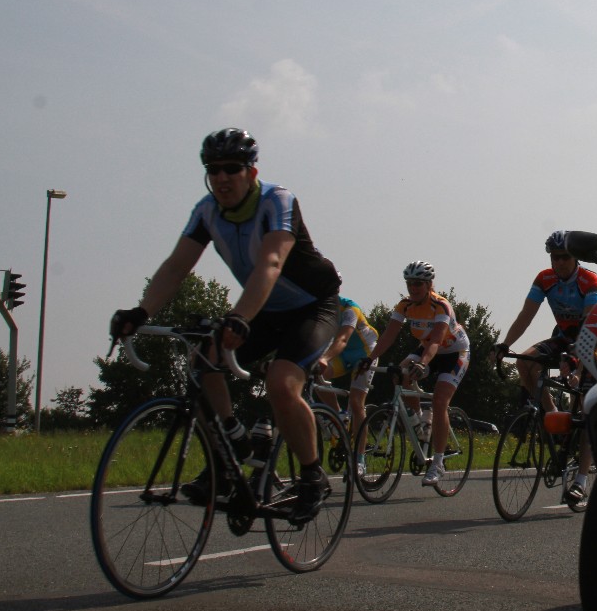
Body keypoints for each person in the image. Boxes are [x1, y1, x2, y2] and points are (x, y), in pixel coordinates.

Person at [109, 128, 342, 523]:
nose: (221, 177)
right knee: (203, 362)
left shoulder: (277, 201)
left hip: (311, 307)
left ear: (251, 172)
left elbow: (271, 262)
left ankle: (311, 475)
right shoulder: (206, 211)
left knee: (281, 384)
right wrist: (140, 313)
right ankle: (231, 447)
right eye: (213, 169)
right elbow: (176, 267)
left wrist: (239, 317)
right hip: (264, 309)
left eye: (232, 168)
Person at [492, 231, 597, 504]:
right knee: (524, 361)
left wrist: (577, 366)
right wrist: (505, 345)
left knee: (585, 409)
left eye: (565, 257)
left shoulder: (590, 281)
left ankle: (580, 480)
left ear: (575, 257)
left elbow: (588, 327)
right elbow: (526, 315)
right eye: (555, 257)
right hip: (563, 337)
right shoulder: (544, 279)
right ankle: (552, 412)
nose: (560, 262)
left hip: (591, 340)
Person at [363, 260, 471, 486]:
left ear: (429, 285)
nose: (413, 288)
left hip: (454, 352)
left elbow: (436, 341)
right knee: (400, 374)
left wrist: (422, 364)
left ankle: (438, 463)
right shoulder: (404, 305)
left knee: (440, 401)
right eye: (410, 283)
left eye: (418, 284)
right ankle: (420, 424)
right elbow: (388, 336)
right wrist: (369, 359)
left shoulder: (441, 306)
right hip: (428, 348)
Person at [315, 295, 379, 444]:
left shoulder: (350, 308)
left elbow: (342, 339)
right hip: (343, 354)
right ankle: (339, 417)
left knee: (356, 403)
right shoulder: (319, 308)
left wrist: (324, 358)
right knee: (318, 374)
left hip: (364, 353)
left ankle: (359, 455)